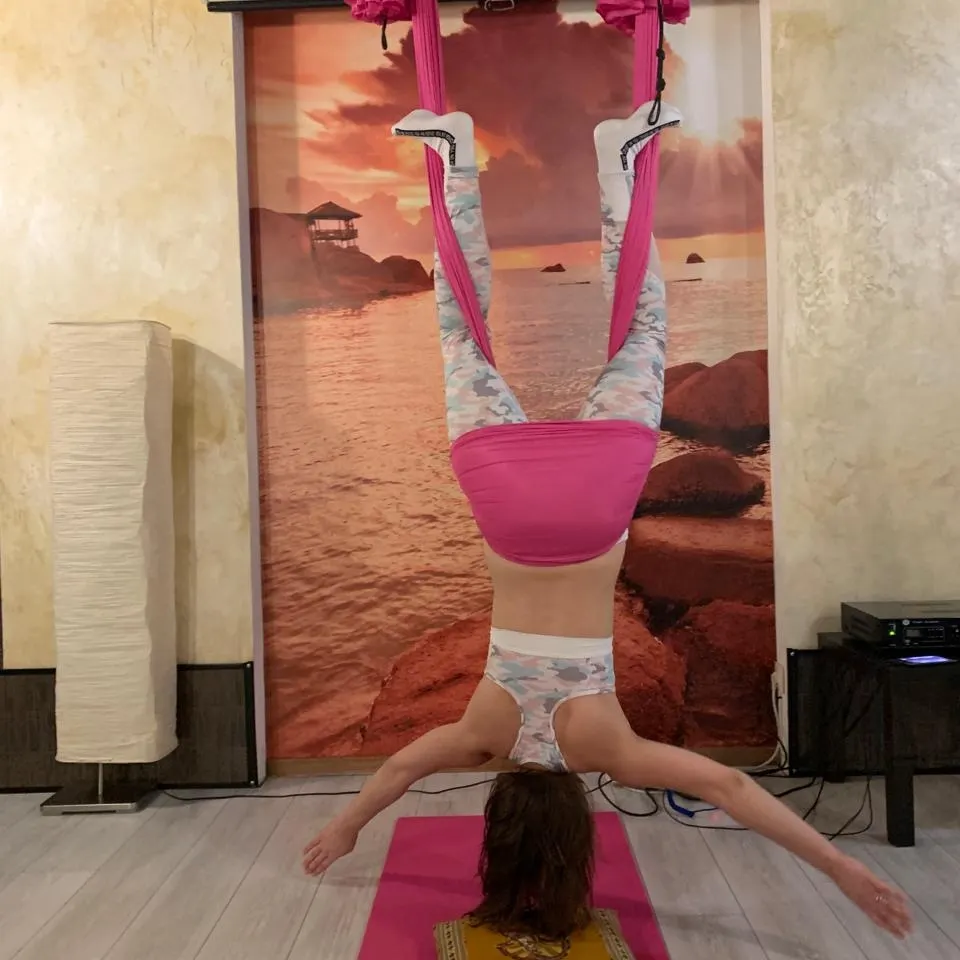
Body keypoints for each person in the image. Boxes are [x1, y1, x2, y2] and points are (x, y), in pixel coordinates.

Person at [303, 106, 913, 942]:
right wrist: (345, 826)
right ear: (500, 816)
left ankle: (616, 161)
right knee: (462, 335)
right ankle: (454, 155)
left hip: (595, 502)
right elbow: (401, 770)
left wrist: (843, 869)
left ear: (575, 833)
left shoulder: (606, 747)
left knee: (642, 329)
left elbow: (731, 789)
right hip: (510, 505)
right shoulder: (482, 732)